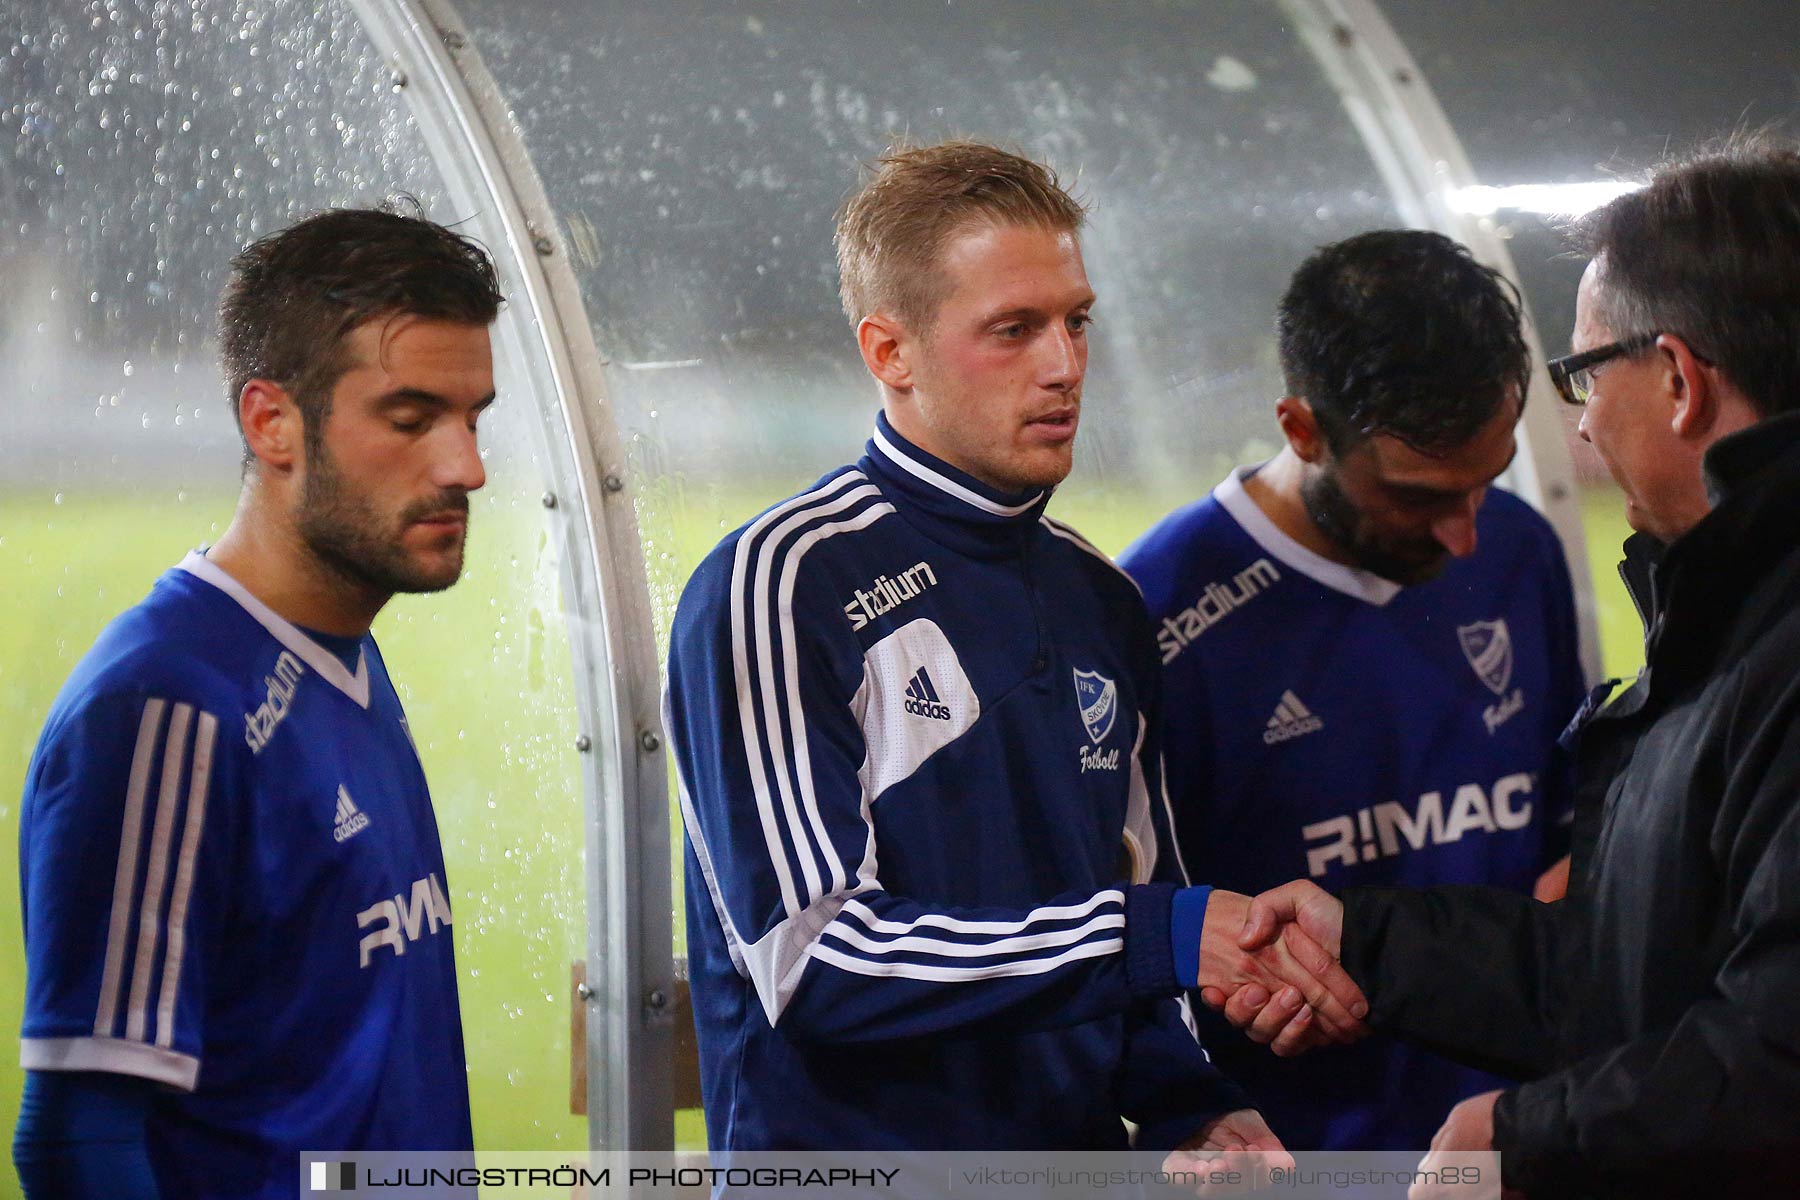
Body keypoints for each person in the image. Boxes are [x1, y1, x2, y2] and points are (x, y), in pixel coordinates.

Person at [665, 140, 1366, 1155]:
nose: (1066, 365)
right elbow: (812, 962)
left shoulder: (1101, 597)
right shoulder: (778, 583)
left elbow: (1138, 894)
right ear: (889, 352)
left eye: (1076, 321)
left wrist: (1190, 1100)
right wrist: (1155, 939)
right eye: (1014, 329)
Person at [1219, 137, 1800, 1196]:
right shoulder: (1731, 608)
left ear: (1676, 379)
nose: (1577, 423)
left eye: (1583, 372)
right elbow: (1627, 967)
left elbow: (1776, 1058)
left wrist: (1529, 1137)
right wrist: (1366, 940)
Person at [12, 205, 503, 1199]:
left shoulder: (343, 653)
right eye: (411, 420)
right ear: (271, 422)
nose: (466, 468)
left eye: (473, 417)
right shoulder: (168, 706)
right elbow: (78, 1137)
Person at [1118, 230, 1585, 1151]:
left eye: (1486, 483)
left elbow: (1571, 827)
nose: (1464, 535)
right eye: (1418, 496)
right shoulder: (1159, 620)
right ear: (1302, 427)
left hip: (1511, 1136)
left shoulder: (1521, 550)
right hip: (1302, 1151)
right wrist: (1248, 989)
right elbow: (1121, 931)